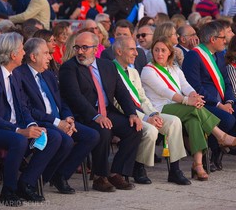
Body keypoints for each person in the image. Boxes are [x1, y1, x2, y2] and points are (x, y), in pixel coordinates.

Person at [141, 36, 236, 181]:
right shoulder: (148, 70)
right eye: (156, 50)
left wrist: (194, 96)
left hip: (180, 107)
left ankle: (197, 164)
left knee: (194, 120)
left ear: (170, 53)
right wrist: (188, 101)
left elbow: (186, 86)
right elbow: (165, 92)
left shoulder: (174, 69)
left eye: (163, 50)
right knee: (195, 109)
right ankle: (220, 136)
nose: (159, 53)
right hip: (160, 109)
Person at [59, 31, 142, 192]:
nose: (80, 52)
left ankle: (116, 173)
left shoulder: (107, 65)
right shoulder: (69, 68)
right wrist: (95, 116)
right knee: (104, 130)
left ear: (95, 49)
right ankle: (99, 177)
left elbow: (121, 91)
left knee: (134, 129)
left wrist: (132, 113)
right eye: (77, 47)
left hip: (106, 111)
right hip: (83, 115)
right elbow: (75, 97)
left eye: (84, 48)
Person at [17, 37, 99, 194]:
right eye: (46, 53)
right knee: (63, 139)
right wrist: (57, 122)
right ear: (33, 57)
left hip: (58, 120)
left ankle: (60, 175)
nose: (50, 57)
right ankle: (29, 182)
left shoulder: (48, 75)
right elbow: (29, 109)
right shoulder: (21, 75)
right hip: (40, 121)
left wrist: (68, 118)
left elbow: (62, 101)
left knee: (92, 135)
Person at [113, 36, 191, 185]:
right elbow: (117, 103)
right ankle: (138, 167)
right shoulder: (110, 70)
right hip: (125, 115)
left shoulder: (133, 71)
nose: (136, 53)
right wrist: (145, 118)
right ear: (119, 51)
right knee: (150, 130)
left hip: (145, 112)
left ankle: (175, 170)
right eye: (132, 49)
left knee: (174, 121)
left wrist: (153, 114)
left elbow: (143, 98)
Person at [0, 32, 61, 205]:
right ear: (13, 54)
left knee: (53, 137)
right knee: (19, 140)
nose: (24, 53)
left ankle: (26, 184)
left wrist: (32, 125)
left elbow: (23, 106)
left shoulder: (15, 75)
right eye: (21, 49)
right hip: (0, 127)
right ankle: (8, 191)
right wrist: (20, 130)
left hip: (15, 125)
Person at [182, 21, 236, 170]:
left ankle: (218, 152)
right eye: (222, 38)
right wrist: (219, 105)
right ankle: (214, 151)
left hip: (223, 101)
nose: (225, 41)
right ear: (213, 39)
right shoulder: (194, 56)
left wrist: (229, 102)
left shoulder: (219, 55)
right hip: (204, 102)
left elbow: (227, 82)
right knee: (227, 120)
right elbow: (195, 87)